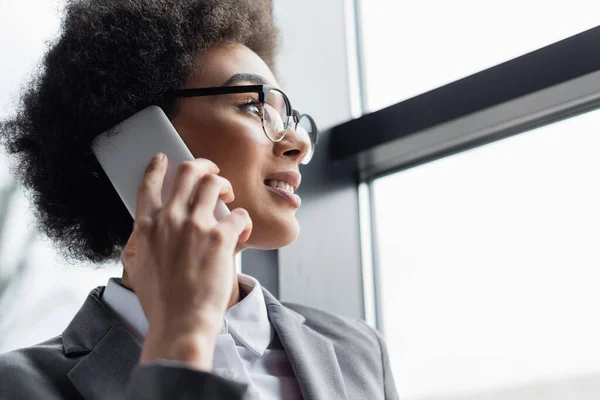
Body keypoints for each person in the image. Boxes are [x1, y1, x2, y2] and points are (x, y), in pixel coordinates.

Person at [0, 0, 399, 399]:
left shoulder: (360, 353)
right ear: (136, 136)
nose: (299, 143)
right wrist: (181, 338)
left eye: (289, 119)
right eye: (254, 106)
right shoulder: (17, 385)